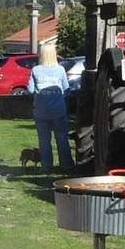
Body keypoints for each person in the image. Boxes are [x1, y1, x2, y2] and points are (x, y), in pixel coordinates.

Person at [28, 40, 71, 171]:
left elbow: (30, 90)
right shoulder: (60, 69)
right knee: (62, 138)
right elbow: (66, 89)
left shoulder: (35, 70)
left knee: (44, 140)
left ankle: (47, 165)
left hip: (41, 111)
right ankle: (66, 164)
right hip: (58, 110)